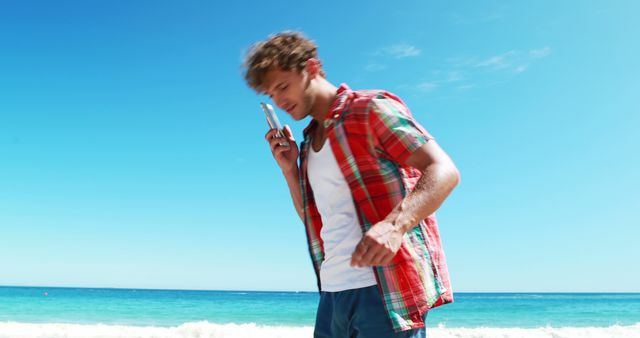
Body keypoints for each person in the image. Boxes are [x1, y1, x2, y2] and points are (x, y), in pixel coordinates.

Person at [242, 31, 460, 338]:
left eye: (283, 86)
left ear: (312, 69)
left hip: (383, 294)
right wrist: (290, 170)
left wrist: (395, 225)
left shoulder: (370, 110)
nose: (279, 101)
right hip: (332, 296)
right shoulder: (307, 145)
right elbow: (313, 220)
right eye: (271, 95)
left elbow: (444, 169)